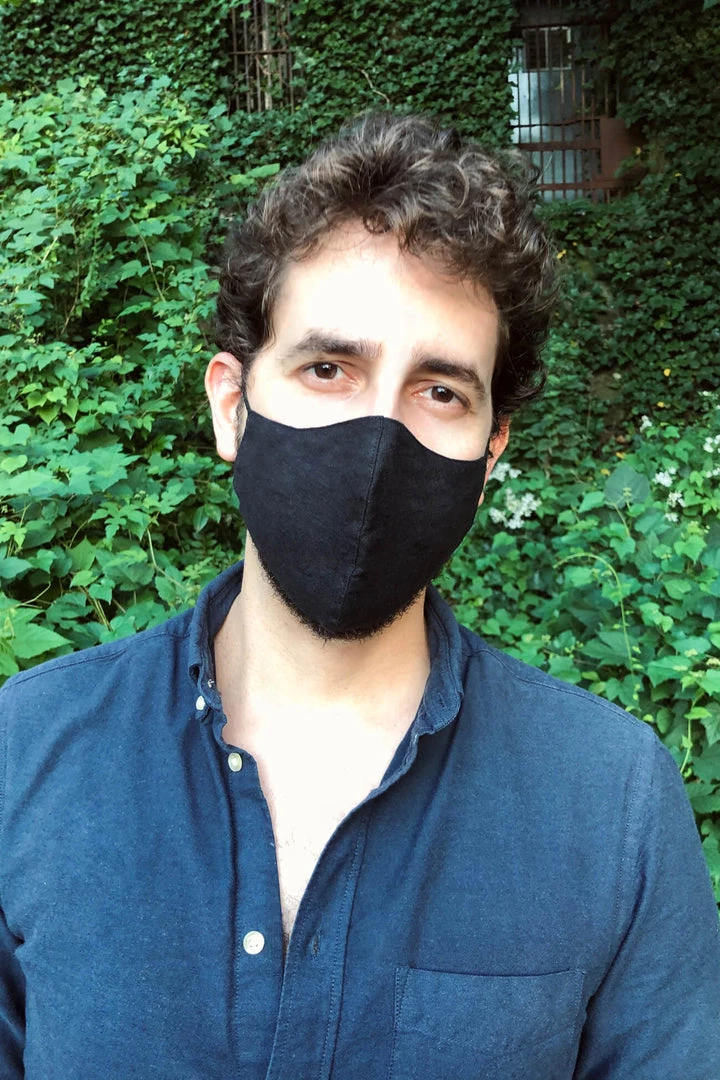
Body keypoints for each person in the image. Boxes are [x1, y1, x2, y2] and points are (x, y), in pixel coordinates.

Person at [1, 113, 718, 1080]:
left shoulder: (611, 805)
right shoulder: (26, 755)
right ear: (232, 405)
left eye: (441, 391)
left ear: (489, 455)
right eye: (328, 368)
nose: (379, 437)